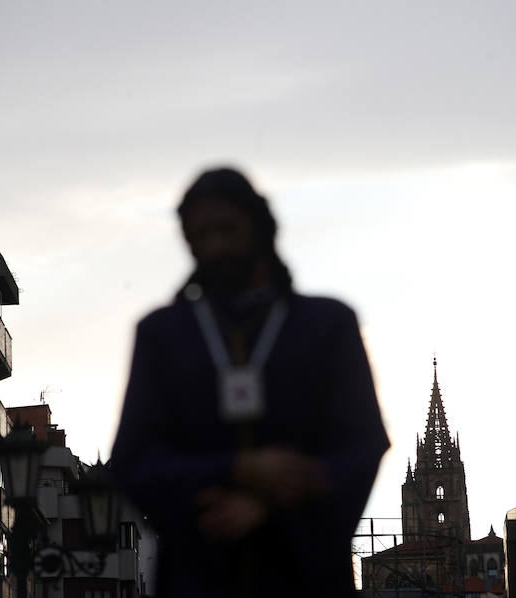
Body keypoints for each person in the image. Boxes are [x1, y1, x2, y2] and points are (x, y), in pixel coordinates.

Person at [110, 167, 389, 597]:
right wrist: (237, 470)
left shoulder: (328, 325)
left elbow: (362, 446)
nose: (216, 246)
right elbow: (135, 460)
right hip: (199, 577)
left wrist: (268, 509)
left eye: (227, 229)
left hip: (305, 578)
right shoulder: (161, 335)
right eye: (200, 234)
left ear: (260, 227)